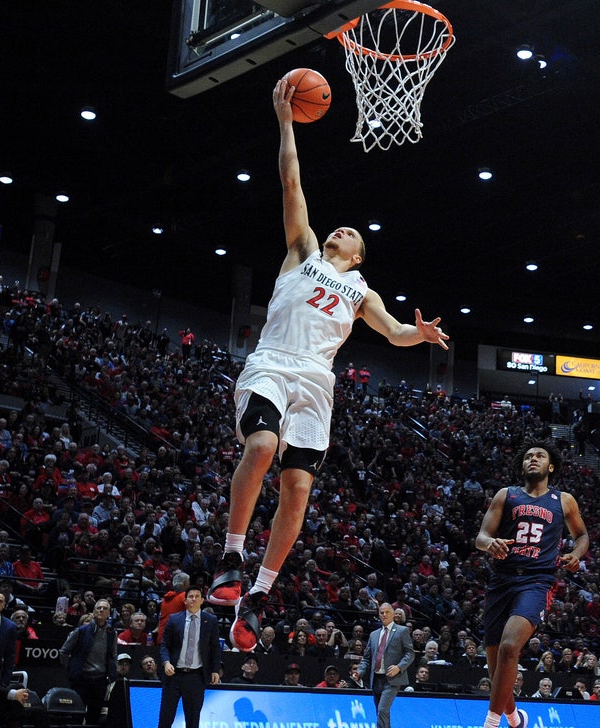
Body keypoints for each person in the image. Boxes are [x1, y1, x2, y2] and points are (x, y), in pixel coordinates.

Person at [207, 75, 450, 652]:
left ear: (360, 255)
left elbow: (391, 333)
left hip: (317, 383)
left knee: (297, 492)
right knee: (261, 448)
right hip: (271, 362)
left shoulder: (363, 291)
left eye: (351, 233)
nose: (340, 228)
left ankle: (260, 593)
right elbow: (291, 180)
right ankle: (231, 557)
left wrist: (418, 334)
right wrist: (287, 122)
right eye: (338, 227)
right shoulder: (303, 250)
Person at [475, 441, 590, 728]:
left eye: (539, 456)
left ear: (551, 466)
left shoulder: (564, 500)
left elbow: (582, 536)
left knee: (510, 646)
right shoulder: (506, 495)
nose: (533, 459)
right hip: (502, 580)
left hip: (537, 581)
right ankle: (516, 719)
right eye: (528, 456)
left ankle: (490, 724)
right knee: (495, 664)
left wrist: (576, 555)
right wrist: (491, 544)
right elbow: (481, 537)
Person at [158, 586, 221, 728]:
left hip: (196, 677)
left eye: (197, 596)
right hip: (174, 675)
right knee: (165, 719)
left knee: (193, 721)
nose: (193, 599)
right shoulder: (174, 619)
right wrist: (166, 662)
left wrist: (215, 670)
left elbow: (216, 647)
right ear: (185, 601)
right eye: (190, 596)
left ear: (202, 600)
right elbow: (164, 645)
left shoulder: (210, 621)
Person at [59, 598, 116, 726]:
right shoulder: (81, 631)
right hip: (82, 679)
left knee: (94, 718)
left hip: (100, 680)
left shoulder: (111, 633)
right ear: (93, 611)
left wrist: (111, 675)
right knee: (76, 715)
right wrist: (72, 669)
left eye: (105, 608)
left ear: (109, 613)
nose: (101, 610)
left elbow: (113, 655)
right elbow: (64, 651)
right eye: (98, 608)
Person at [358, 601, 415, 728]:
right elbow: (367, 658)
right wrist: (359, 672)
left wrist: (399, 667)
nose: (384, 614)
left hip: (392, 679)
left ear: (393, 614)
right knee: (381, 711)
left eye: (387, 612)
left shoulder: (402, 631)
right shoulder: (374, 634)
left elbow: (410, 654)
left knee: (382, 710)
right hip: (376, 679)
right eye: (381, 613)